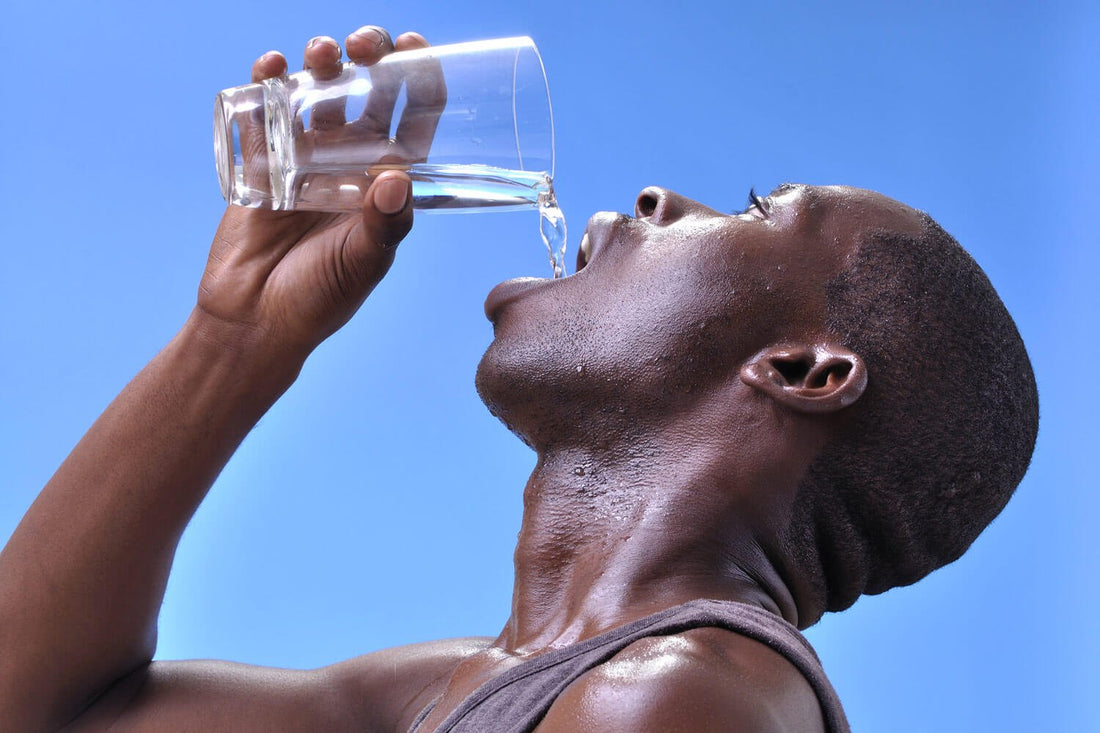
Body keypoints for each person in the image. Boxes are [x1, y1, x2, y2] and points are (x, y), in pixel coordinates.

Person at [0, 24, 1037, 733]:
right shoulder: (468, 689)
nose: (653, 196)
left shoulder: (681, 702)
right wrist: (233, 338)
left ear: (798, 369)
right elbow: (40, 707)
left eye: (758, 208)